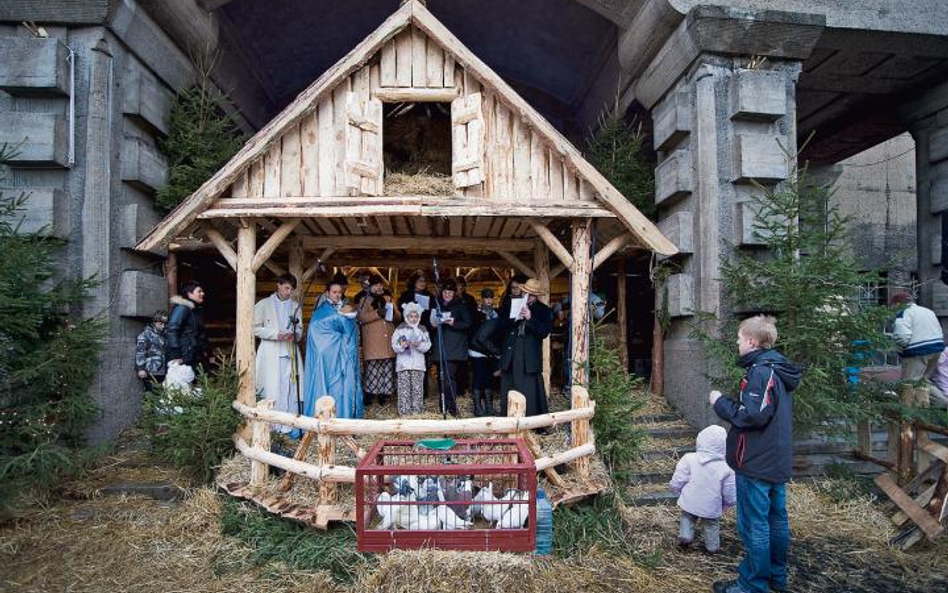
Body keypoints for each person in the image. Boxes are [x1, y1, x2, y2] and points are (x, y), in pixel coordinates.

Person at [709, 315, 802, 593]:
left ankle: (752, 585)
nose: (737, 344)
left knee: (754, 524)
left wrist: (720, 402)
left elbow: (752, 416)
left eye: (739, 339)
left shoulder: (761, 371)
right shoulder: (777, 368)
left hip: (756, 462)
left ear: (751, 341)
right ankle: (776, 577)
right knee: (776, 520)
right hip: (775, 459)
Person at [668, 425, 737, 554]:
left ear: (700, 440)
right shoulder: (726, 468)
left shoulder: (689, 458)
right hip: (712, 504)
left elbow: (680, 476)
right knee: (711, 524)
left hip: (690, 499)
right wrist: (730, 502)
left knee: (687, 517)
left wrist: (675, 486)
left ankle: (686, 536)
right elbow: (729, 490)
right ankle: (712, 547)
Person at [303, 279, 362, 419]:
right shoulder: (321, 311)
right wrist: (339, 319)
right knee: (329, 384)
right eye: (334, 292)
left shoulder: (347, 307)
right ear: (327, 293)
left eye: (340, 292)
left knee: (342, 388)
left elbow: (352, 331)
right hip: (328, 357)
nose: (337, 295)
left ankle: (344, 417)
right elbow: (316, 330)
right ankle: (325, 417)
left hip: (344, 354)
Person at [254, 274, 305, 432]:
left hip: (289, 351)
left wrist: (294, 334)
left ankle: (289, 424)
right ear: (278, 285)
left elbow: (300, 329)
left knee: (289, 387)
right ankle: (272, 426)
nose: (289, 292)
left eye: (291, 289)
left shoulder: (295, 306)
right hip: (271, 352)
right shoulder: (263, 304)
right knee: (272, 388)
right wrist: (275, 334)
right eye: (286, 288)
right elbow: (254, 328)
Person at [497, 278, 553, 416]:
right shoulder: (512, 304)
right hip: (512, 351)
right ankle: (509, 418)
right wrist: (513, 318)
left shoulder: (544, 310)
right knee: (510, 385)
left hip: (529, 354)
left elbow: (543, 332)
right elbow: (500, 327)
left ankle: (531, 421)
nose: (528, 296)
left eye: (531, 294)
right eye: (526, 293)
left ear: (537, 295)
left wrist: (529, 318)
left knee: (529, 388)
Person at [891, 292, 946, 404]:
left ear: (897, 304)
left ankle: (908, 416)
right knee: (923, 382)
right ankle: (941, 403)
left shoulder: (903, 313)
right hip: (937, 350)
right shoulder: (928, 311)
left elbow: (902, 336)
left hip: (917, 352)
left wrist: (901, 350)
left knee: (908, 385)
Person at [429, 278, 472, 417]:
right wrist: (433, 323)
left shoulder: (461, 305)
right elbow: (430, 323)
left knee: (449, 378)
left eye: (450, 292)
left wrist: (454, 322)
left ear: (454, 293)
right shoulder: (437, 305)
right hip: (440, 345)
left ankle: (452, 408)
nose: (447, 294)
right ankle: (443, 406)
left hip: (454, 347)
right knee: (441, 378)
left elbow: (468, 323)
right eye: (445, 292)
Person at [358, 274, 399, 407]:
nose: (379, 287)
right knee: (373, 370)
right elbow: (361, 318)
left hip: (387, 340)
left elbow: (398, 316)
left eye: (380, 285)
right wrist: (377, 313)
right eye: (376, 285)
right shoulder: (364, 300)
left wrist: (394, 313)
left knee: (387, 369)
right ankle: (369, 396)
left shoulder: (388, 298)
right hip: (373, 341)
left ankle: (384, 396)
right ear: (370, 287)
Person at [391, 302, 431, 415]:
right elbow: (394, 345)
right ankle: (404, 413)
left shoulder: (422, 329)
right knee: (404, 390)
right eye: (411, 316)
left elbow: (427, 346)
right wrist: (402, 346)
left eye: (416, 316)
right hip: (403, 365)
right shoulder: (400, 329)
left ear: (419, 317)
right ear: (406, 316)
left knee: (417, 389)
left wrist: (418, 345)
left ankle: (417, 413)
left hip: (418, 365)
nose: (413, 319)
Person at [468, 288, 500, 416]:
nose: (488, 300)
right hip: (477, 349)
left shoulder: (496, 314)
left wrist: (493, 349)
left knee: (488, 377)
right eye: (486, 297)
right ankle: (477, 407)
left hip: (489, 349)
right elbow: (473, 333)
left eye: (490, 298)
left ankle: (488, 406)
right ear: (482, 298)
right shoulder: (476, 313)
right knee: (478, 377)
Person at [166, 281, 210, 371]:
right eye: (199, 291)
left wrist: (208, 352)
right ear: (189, 294)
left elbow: (200, 333)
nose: (203, 293)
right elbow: (172, 330)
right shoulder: (182, 308)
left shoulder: (195, 310)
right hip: (185, 356)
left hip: (195, 354)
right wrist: (176, 354)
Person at [135, 310, 168, 390]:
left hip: (163, 370)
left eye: (164, 324)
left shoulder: (164, 334)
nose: (163, 326)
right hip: (151, 370)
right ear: (154, 323)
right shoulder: (145, 335)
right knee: (151, 394)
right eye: (160, 324)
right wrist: (140, 368)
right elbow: (140, 352)